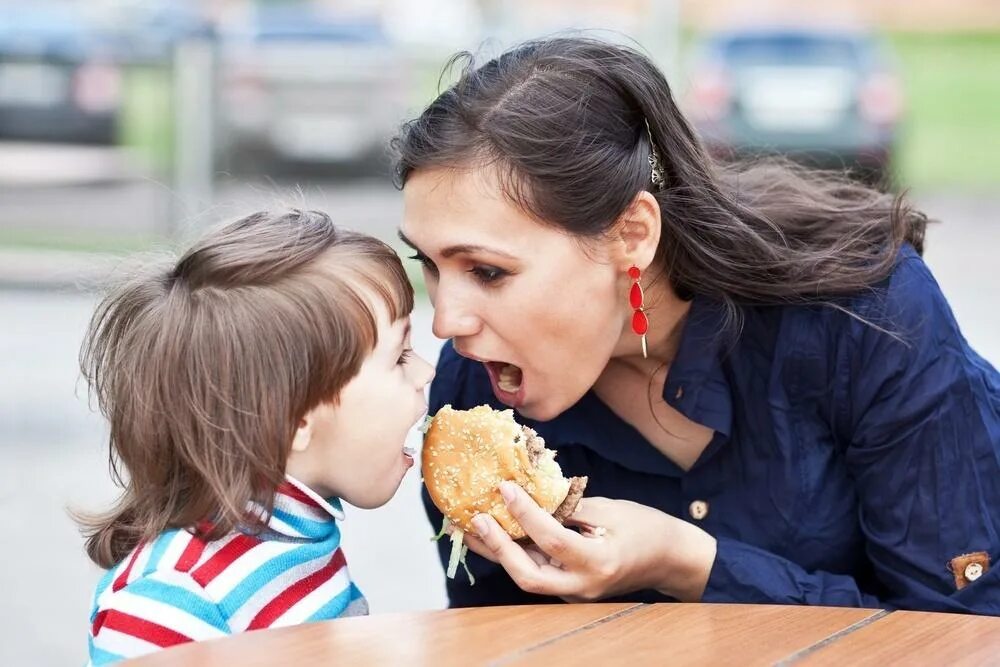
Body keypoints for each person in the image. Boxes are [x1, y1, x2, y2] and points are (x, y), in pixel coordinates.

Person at [392, 37, 1000, 614]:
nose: (446, 322)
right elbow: (492, 640)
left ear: (632, 234)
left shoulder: (867, 317)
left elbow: (962, 628)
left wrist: (688, 563)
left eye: (489, 272)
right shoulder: (472, 401)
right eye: (431, 266)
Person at [78, 210, 435, 665]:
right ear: (297, 420)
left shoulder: (296, 542)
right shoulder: (171, 599)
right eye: (400, 356)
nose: (428, 371)